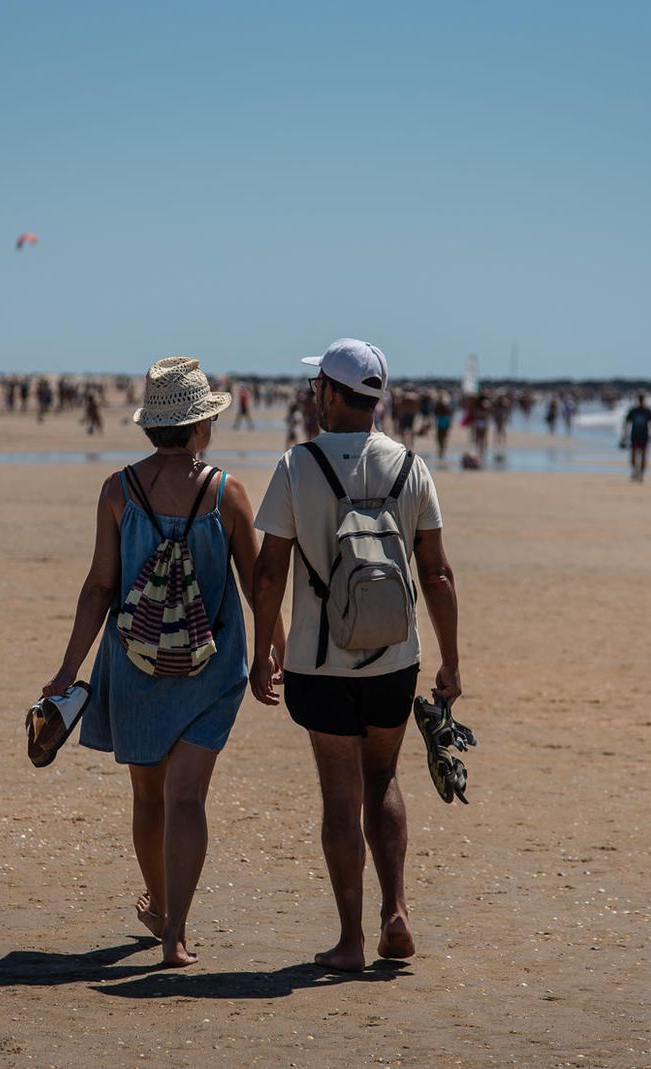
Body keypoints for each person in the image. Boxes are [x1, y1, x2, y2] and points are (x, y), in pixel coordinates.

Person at [250, 338, 461, 973]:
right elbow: (438, 573)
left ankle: (350, 941)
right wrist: (451, 661)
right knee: (384, 779)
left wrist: (262, 651)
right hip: (395, 658)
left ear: (335, 395)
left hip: (319, 662)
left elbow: (268, 572)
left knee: (341, 798)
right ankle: (395, 912)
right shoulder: (411, 466)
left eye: (317, 385)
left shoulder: (297, 466)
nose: (313, 394)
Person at [43, 356, 258, 969]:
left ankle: (161, 906)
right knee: (187, 799)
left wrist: (67, 671)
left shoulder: (119, 490)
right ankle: (175, 936)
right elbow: (257, 585)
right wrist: (275, 648)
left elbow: (99, 587)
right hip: (212, 667)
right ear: (200, 426)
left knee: (149, 798)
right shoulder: (226, 492)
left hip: (134, 664)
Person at [620, 392, 651, 481]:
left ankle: (641, 474)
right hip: (634, 436)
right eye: (639, 399)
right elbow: (626, 423)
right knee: (633, 456)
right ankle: (635, 471)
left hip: (644, 436)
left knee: (644, 456)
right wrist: (624, 435)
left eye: (642, 399)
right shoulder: (633, 411)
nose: (641, 401)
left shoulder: (648, 411)